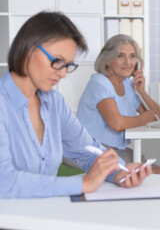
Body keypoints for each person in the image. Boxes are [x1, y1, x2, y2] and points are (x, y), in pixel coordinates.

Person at [0, 12, 152, 198]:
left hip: (44, 216)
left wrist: (119, 172)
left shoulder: (54, 104)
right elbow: (4, 181)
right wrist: (84, 183)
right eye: (57, 61)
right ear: (28, 51)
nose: (63, 74)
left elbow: (88, 151)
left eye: (68, 65)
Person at [77, 34, 160, 173]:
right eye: (121, 56)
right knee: (155, 173)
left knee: (159, 170)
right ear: (107, 61)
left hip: (115, 149)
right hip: (93, 149)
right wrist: (144, 119)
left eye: (132, 56)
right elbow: (117, 123)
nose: (128, 62)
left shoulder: (127, 84)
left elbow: (158, 117)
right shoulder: (99, 83)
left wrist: (142, 91)